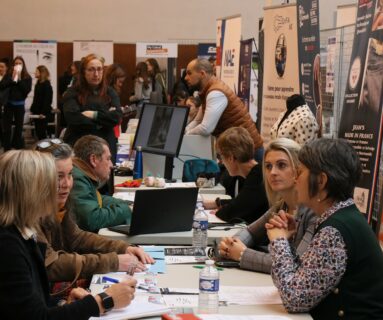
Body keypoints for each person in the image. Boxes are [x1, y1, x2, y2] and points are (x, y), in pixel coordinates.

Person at [0, 150, 136, 319]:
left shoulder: (23, 231)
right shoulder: (8, 246)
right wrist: (103, 301)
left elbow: (34, 305)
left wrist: (62, 304)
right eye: (51, 183)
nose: (61, 187)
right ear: (29, 191)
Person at [266, 138, 383, 319]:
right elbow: (300, 278)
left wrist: (278, 241)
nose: (296, 179)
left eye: (301, 172)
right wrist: (287, 242)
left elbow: (294, 299)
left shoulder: (334, 231)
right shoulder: (341, 217)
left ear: (320, 181)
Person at [34, 139, 154, 287]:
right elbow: (52, 265)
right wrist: (113, 261)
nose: (67, 184)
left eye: (70, 174)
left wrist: (123, 248)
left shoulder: (55, 204)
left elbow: (77, 238)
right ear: (39, 177)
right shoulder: (30, 213)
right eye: (59, 177)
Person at [218, 138, 316, 273]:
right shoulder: (281, 206)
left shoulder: (313, 212)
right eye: (268, 166)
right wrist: (230, 245)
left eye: (281, 165)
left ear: (298, 169)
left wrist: (242, 254)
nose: (273, 172)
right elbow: (250, 232)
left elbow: (297, 265)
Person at [184, 58, 263, 160]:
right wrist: (185, 131)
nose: (186, 78)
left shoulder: (215, 93)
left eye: (189, 73)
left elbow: (206, 128)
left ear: (202, 74)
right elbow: (198, 120)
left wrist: (187, 134)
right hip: (239, 150)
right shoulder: (208, 90)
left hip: (248, 153)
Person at [63, 53, 122, 163]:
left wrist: (93, 114)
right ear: (84, 72)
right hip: (79, 145)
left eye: (99, 69)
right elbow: (72, 117)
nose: (96, 74)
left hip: (105, 146)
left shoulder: (110, 92)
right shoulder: (72, 92)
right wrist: (104, 117)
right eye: (91, 69)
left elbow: (117, 117)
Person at [203, 127, 268, 224]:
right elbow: (241, 201)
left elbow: (233, 211)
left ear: (230, 158)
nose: (221, 162)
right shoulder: (254, 173)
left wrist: (222, 211)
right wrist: (218, 203)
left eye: (221, 156)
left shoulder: (258, 177)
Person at [70, 135, 131, 232]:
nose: (111, 165)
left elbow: (95, 199)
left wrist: (125, 204)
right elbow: (93, 219)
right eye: (108, 159)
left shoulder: (81, 173)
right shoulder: (78, 179)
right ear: (93, 159)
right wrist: (126, 210)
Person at [2, 56, 32, 151]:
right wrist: (12, 79)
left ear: (23, 65)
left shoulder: (27, 77)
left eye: (20, 63)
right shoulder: (8, 75)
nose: (17, 65)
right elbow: (2, 85)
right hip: (9, 105)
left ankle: (17, 147)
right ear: (13, 65)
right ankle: (7, 148)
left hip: (19, 105)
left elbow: (26, 90)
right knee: (6, 128)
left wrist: (19, 79)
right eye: (16, 63)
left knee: (19, 128)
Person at [30, 65, 53, 140]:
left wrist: (43, 112)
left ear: (41, 73)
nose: (35, 73)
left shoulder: (46, 85)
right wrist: (32, 109)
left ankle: (43, 149)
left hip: (43, 113)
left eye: (36, 71)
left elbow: (47, 100)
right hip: (37, 112)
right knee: (38, 132)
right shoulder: (38, 84)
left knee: (42, 132)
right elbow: (36, 99)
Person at [0, 58, 10, 145]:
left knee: (4, 127)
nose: (0, 68)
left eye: (2, 67)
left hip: (6, 105)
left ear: (6, 68)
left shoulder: (9, 78)